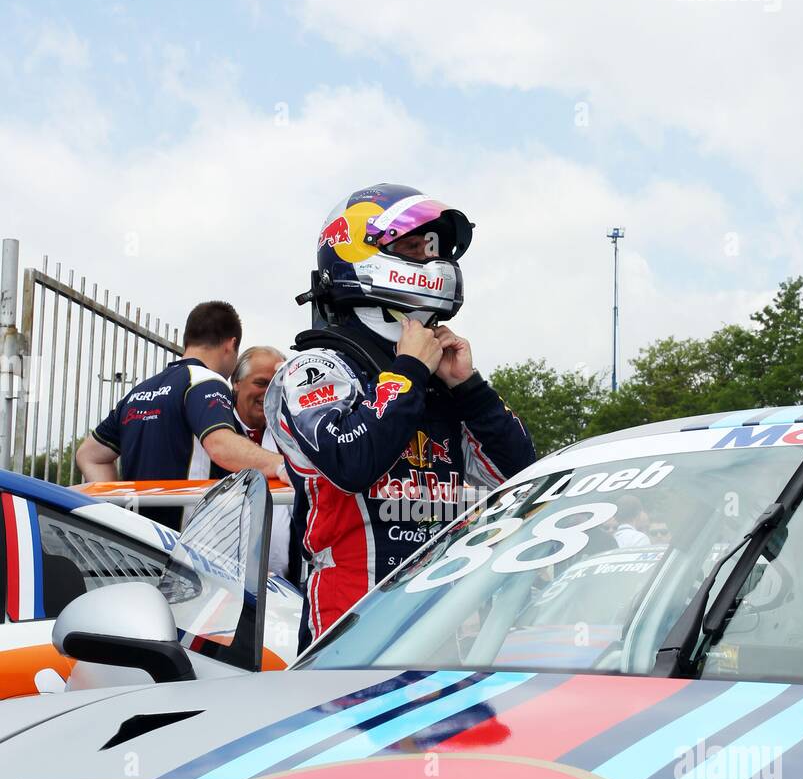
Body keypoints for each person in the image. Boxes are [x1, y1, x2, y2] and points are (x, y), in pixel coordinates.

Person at [265, 182, 536, 650]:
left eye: (434, 249)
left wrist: (469, 389)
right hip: (348, 635)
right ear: (354, 250)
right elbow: (352, 463)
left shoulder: (436, 377)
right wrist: (407, 372)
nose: (432, 262)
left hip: (441, 633)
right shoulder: (314, 368)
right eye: (413, 248)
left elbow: (522, 474)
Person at [76, 301, 288, 529]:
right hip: (185, 549)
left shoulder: (139, 392)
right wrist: (282, 465)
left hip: (138, 544)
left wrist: (114, 513)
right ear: (231, 344)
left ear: (188, 340)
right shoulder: (207, 381)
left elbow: (89, 454)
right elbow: (220, 445)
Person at [232, 344, 291, 577]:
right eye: (261, 383)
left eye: (277, 385)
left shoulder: (293, 432)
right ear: (236, 383)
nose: (268, 393)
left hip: (287, 583)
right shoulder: (214, 432)